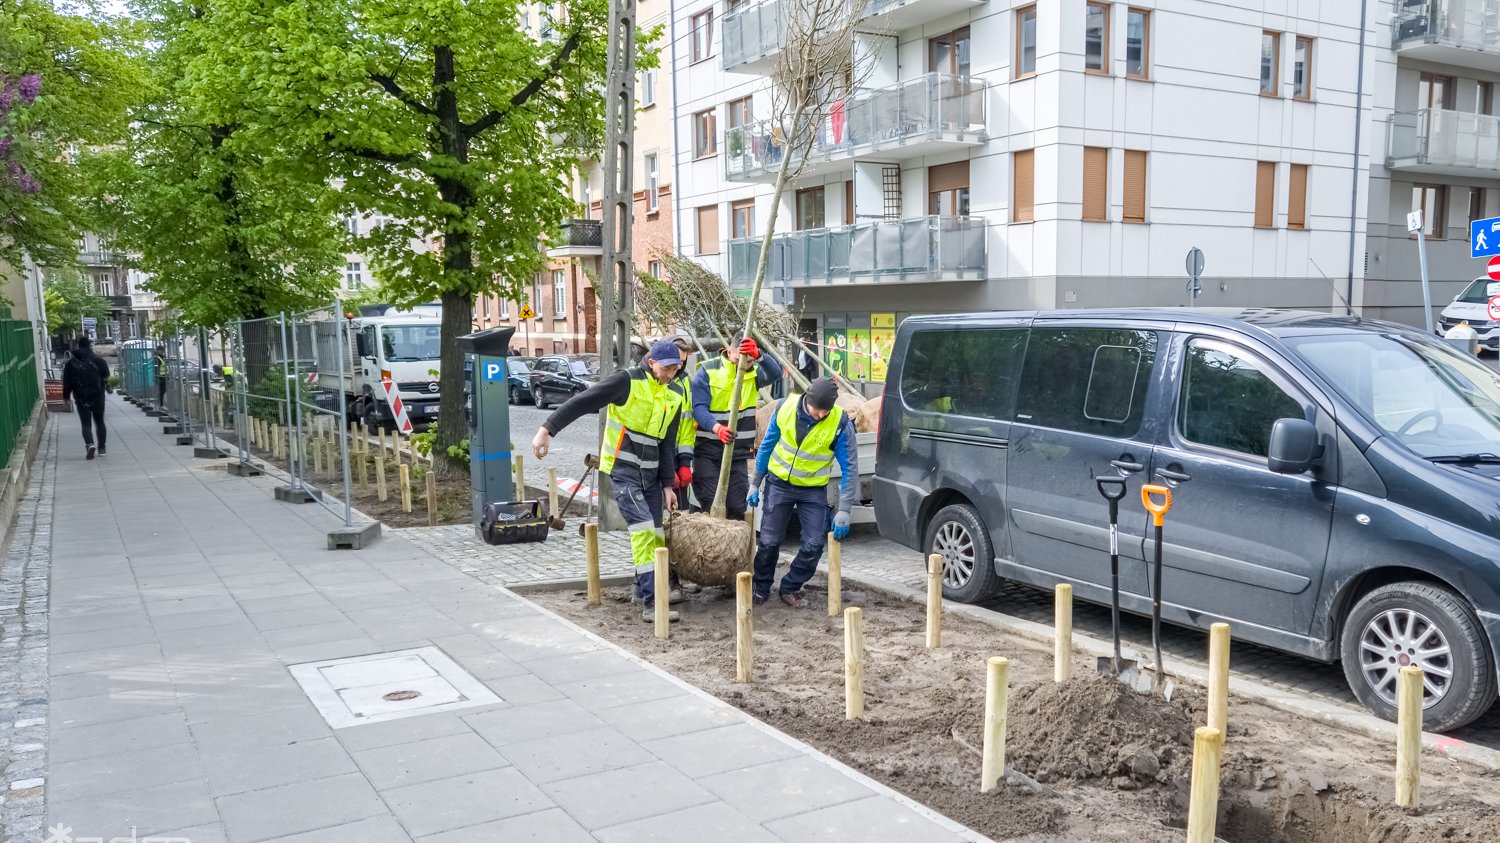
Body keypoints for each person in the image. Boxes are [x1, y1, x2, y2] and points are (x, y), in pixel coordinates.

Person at [533, 340, 685, 622]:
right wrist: (546, 430)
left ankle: (642, 590)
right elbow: (582, 402)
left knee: (655, 535)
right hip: (624, 472)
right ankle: (653, 604)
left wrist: (667, 485)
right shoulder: (626, 381)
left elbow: (667, 444)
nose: (672, 374)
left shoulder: (674, 394)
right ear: (652, 363)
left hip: (651, 478)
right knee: (643, 533)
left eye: (677, 368)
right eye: (667, 368)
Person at [746, 378, 857, 607]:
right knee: (768, 542)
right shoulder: (784, 408)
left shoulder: (840, 423)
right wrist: (756, 482)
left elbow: (850, 468)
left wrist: (845, 509)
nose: (821, 415)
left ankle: (791, 586)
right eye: (817, 410)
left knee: (814, 544)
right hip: (779, 484)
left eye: (826, 411)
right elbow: (767, 445)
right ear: (808, 399)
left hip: (813, 490)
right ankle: (761, 586)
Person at [689, 336, 782, 521]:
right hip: (708, 451)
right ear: (729, 351)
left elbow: (775, 374)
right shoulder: (708, 370)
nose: (744, 366)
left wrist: (760, 355)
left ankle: (733, 546)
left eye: (749, 361)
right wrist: (717, 428)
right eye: (740, 360)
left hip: (738, 453)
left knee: (737, 505)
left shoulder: (753, 373)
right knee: (709, 501)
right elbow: (698, 408)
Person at [62, 336, 111, 460]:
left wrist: (66, 397)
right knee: (99, 421)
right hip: (98, 396)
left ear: (78, 346)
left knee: (85, 423)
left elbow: (67, 383)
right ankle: (102, 448)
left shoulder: (71, 364)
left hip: (81, 397)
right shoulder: (99, 361)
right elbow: (106, 375)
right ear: (90, 346)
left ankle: (89, 444)